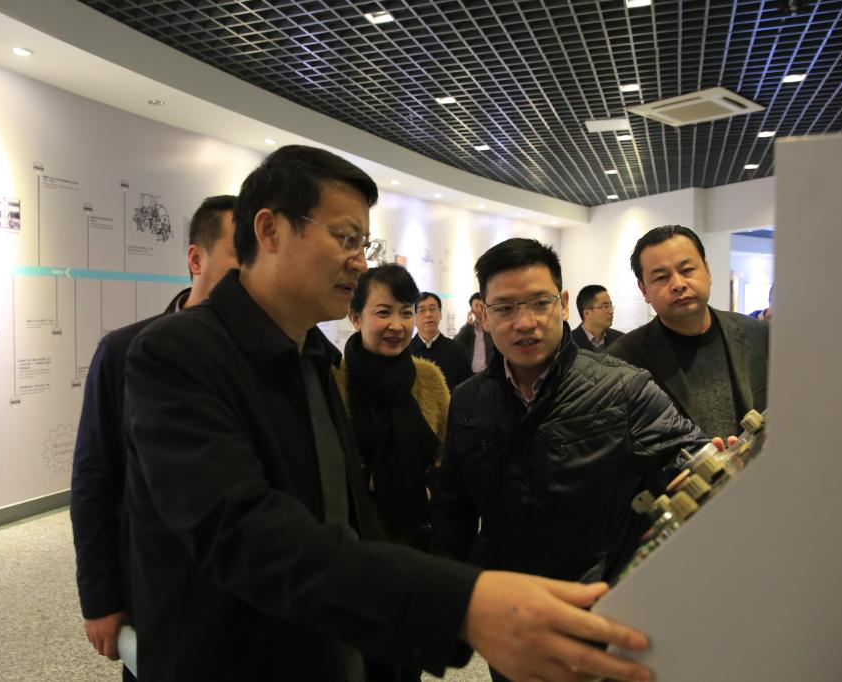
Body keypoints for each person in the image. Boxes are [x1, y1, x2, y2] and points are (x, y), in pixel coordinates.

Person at [123, 145, 654, 682]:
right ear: (270, 230)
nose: (359, 261)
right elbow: (243, 533)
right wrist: (461, 603)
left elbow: (343, 517)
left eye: (364, 243)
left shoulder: (313, 357)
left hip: (331, 642)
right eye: (345, 238)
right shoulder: (178, 353)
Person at [431, 237, 708, 681]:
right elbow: (454, 513)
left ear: (562, 304)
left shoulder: (624, 388)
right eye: (505, 308)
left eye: (539, 303)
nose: (525, 322)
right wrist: (456, 616)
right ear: (483, 314)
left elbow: (693, 465)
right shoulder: (468, 401)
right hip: (514, 617)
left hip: (602, 611)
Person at [69, 195, 238, 674]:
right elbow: (94, 479)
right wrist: (100, 598)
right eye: (239, 257)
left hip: (241, 592)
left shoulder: (264, 358)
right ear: (196, 259)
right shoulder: (125, 351)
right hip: (156, 589)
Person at [608, 225, 769, 439]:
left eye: (687, 270)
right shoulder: (621, 362)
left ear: (707, 271)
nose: (678, 284)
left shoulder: (759, 334)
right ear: (644, 289)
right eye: (661, 277)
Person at [334, 264, 449, 553]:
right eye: (384, 313)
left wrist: (428, 487)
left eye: (406, 313)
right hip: (351, 540)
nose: (397, 325)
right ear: (355, 317)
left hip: (420, 537)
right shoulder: (334, 380)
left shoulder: (429, 379)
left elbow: (450, 456)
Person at [408, 292, 472, 391]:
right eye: (422, 310)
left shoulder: (457, 350)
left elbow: (466, 390)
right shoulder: (405, 350)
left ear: (440, 314)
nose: (428, 314)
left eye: (432, 309)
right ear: (414, 318)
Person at [572, 284, 624, 351]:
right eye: (605, 307)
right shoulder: (569, 343)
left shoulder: (620, 339)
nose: (611, 311)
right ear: (587, 313)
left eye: (610, 306)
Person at [454, 292, 494, 373]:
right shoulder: (468, 328)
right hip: (470, 373)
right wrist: (468, 324)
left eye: (481, 306)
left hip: (489, 372)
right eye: (476, 306)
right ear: (471, 309)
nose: (479, 309)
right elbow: (456, 343)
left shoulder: (492, 327)